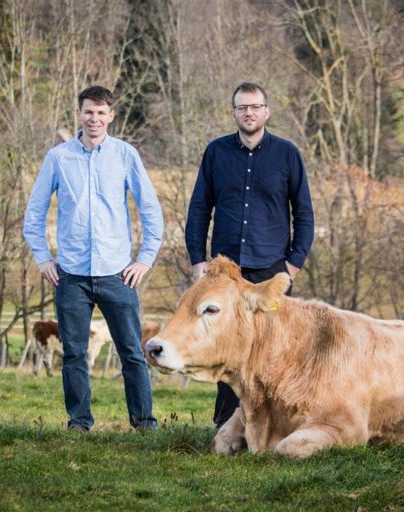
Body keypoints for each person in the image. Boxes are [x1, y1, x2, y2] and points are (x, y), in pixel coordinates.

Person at [23, 85, 163, 432]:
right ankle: (79, 423)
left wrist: (144, 259)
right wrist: (43, 258)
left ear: (111, 116)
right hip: (70, 275)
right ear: (78, 115)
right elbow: (34, 213)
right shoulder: (58, 158)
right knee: (73, 354)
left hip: (118, 274)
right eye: (88, 112)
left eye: (101, 113)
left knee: (131, 351)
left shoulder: (126, 155)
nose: (94, 118)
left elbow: (150, 210)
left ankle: (144, 423)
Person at [185, 82, 315, 427]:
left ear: (266, 111)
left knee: (278, 351)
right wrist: (199, 260)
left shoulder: (287, 154)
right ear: (233, 113)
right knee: (229, 348)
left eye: (255, 107)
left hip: (272, 270)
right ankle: (226, 425)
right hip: (227, 273)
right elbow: (199, 209)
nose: (249, 113)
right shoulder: (216, 152)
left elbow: (304, 213)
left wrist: (293, 265)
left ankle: (277, 426)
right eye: (242, 108)